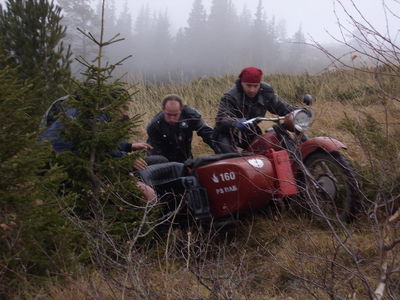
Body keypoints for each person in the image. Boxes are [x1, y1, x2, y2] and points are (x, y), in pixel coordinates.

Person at [213, 66, 299, 153]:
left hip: (250, 130)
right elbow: (222, 118)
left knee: (264, 151)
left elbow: (281, 108)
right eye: (248, 85)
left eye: (255, 86)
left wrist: (300, 111)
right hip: (227, 133)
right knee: (231, 159)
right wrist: (236, 122)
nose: (252, 90)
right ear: (242, 83)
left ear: (260, 84)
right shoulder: (231, 97)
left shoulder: (266, 93)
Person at [146, 94, 216, 163]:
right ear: (163, 110)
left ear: (181, 110)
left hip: (186, 159)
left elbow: (208, 133)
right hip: (165, 162)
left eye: (175, 115)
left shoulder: (190, 115)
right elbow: (154, 152)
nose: (172, 119)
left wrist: (223, 151)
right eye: (169, 114)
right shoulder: (155, 125)